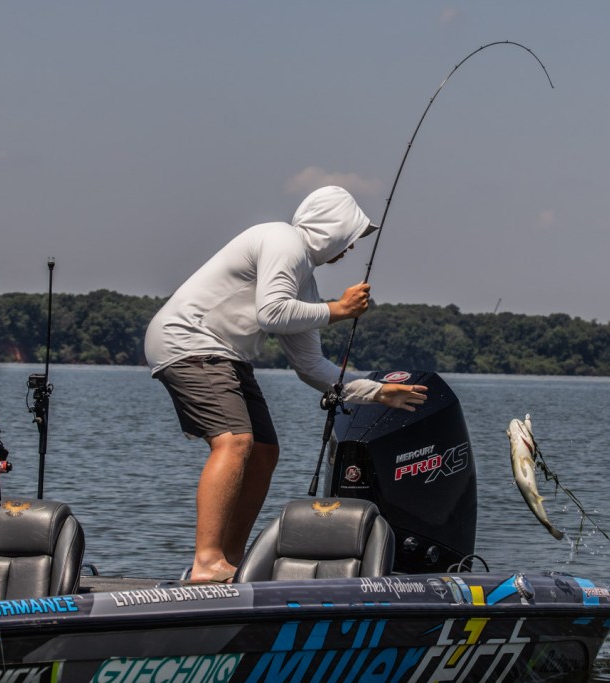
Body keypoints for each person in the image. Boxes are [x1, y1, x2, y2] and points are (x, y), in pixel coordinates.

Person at [144, 186, 427, 583]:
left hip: (227, 354)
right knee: (235, 441)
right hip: (189, 341)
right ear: (331, 228)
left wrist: (378, 392)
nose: (350, 247)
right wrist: (339, 309)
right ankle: (206, 561)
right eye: (350, 236)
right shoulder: (283, 240)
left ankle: (231, 560)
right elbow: (273, 313)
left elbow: (311, 366)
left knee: (263, 451)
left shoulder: (303, 281)